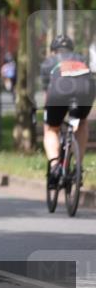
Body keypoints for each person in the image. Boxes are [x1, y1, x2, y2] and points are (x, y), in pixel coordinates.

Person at [40, 35, 94, 186]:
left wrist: (47, 115)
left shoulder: (48, 63)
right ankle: (78, 168)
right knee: (82, 123)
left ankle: (55, 167)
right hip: (85, 91)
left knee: (51, 129)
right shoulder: (82, 59)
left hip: (59, 92)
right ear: (71, 49)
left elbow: (47, 93)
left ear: (53, 51)